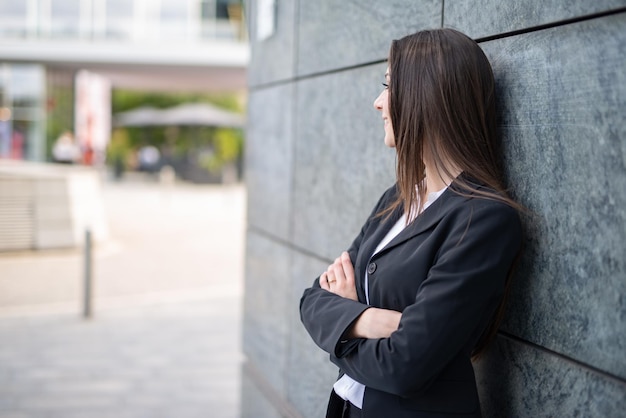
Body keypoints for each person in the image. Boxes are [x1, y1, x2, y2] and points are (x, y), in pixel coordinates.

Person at [299, 28, 523, 418]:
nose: (377, 102)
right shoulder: (398, 197)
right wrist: (369, 319)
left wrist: (343, 325)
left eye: (388, 86)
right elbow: (313, 300)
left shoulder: (484, 219)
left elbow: (404, 366)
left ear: (427, 96)